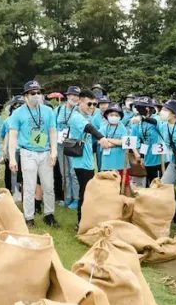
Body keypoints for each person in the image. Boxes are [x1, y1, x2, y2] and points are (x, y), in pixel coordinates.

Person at [7, 80, 58, 228]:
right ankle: (29, 217)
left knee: (48, 186)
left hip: (45, 152)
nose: (36, 95)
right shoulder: (17, 113)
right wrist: (12, 158)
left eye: (39, 92)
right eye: (33, 93)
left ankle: (49, 214)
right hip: (28, 152)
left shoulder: (48, 111)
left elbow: (53, 132)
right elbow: (13, 136)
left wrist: (54, 151)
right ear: (25, 96)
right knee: (29, 187)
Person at [66, 90, 110, 227]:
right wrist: (102, 138)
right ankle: (81, 222)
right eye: (89, 104)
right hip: (81, 162)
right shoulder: (76, 117)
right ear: (80, 101)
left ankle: (86, 220)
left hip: (88, 161)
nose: (92, 107)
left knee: (88, 192)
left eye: (94, 104)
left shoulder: (87, 116)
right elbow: (89, 128)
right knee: (85, 193)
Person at [55, 86, 81, 209]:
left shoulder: (79, 110)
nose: (75, 98)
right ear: (67, 96)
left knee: (73, 171)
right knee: (64, 171)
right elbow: (53, 126)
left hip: (74, 144)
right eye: (73, 95)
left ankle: (76, 198)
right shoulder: (59, 109)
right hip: (60, 144)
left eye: (77, 96)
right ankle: (67, 196)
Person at [129, 97, 164, 186]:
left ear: (148, 108)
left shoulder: (157, 118)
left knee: (164, 185)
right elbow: (136, 140)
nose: (138, 110)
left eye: (141, 107)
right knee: (153, 184)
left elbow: (156, 122)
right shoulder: (137, 122)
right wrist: (140, 156)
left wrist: (143, 118)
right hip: (148, 158)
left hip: (162, 158)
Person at [97, 103, 129, 174]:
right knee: (108, 182)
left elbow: (124, 142)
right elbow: (103, 144)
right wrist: (118, 142)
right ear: (107, 116)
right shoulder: (103, 128)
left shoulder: (122, 128)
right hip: (107, 162)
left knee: (122, 182)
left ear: (120, 117)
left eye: (116, 115)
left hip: (121, 160)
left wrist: (108, 139)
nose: (114, 117)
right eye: (111, 115)